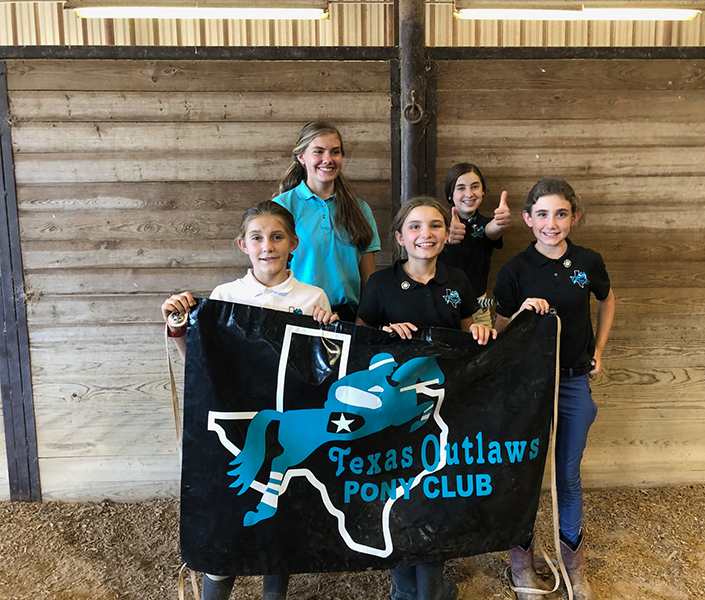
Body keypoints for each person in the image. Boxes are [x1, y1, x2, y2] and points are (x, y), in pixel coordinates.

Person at [161, 200, 338, 600]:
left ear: (294, 243)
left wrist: (327, 331)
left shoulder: (314, 298)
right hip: (237, 426)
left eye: (277, 237)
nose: (267, 246)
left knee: (280, 518)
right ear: (243, 245)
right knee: (229, 514)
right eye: (257, 238)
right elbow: (203, 368)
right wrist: (178, 325)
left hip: (287, 429)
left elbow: (322, 374)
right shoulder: (224, 296)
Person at [357, 196, 496, 600]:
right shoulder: (380, 284)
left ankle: (432, 590)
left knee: (437, 497)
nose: (426, 234)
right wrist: (385, 333)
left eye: (435, 225)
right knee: (400, 499)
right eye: (415, 227)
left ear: (446, 234)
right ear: (399, 237)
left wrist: (481, 333)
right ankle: (405, 590)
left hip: (446, 408)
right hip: (397, 413)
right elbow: (361, 341)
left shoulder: (458, 280)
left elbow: (473, 329)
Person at [493, 178, 615, 600]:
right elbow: (499, 330)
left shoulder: (589, 261)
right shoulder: (515, 271)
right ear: (527, 219)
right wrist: (524, 313)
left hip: (575, 379)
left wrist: (599, 349)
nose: (551, 223)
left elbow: (607, 299)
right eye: (542, 214)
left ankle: (573, 566)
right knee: (525, 471)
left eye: (561, 213)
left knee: (567, 473)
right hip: (528, 384)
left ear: (574, 217)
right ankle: (522, 564)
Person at [273, 121, 381, 322]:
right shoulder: (281, 207)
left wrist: (363, 322)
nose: (328, 159)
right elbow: (270, 271)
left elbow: (369, 279)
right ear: (301, 157)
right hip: (297, 314)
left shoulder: (361, 209)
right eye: (319, 151)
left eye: (335, 152)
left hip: (348, 317)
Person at [440, 163, 511, 327]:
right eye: (461, 188)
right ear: (450, 194)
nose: (469, 194)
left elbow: (490, 231)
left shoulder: (484, 224)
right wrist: (446, 237)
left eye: (475, 187)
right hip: (441, 306)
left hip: (477, 310)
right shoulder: (437, 225)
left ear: (483, 191)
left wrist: (499, 224)